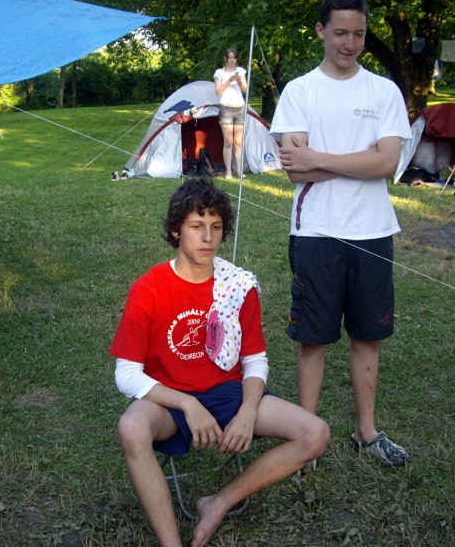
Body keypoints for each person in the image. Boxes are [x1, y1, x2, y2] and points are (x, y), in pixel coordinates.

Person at [110, 178, 329, 547]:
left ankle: (219, 502)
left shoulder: (237, 286)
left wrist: (247, 411)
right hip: (169, 399)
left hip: (228, 391)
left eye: (216, 226)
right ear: (176, 230)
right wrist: (187, 403)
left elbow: (255, 361)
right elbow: (127, 374)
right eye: (196, 226)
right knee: (131, 427)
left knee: (315, 433)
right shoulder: (149, 289)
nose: (207, 237)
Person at [269, 0, 412, 467]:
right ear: (320, 31)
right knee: (314, 337)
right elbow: (296, 171)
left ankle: (366, 431)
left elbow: (387, 163)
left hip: (372, 230)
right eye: (340, 33)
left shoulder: (383, 91)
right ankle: (306, 438)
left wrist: (320, 158)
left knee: (368, 334)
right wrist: (360, 161)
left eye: (359, 34)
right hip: (316, 231)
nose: (350, 44)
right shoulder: (300, 91)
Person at [213, 48, 248, 179]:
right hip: (226, 108)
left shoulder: (241, 71)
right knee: (228, 142)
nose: (232, 60)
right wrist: (229, 81)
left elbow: (245, 90)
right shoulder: (219, 73)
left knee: (238, 142)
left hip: (240, 108)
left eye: (234, 58)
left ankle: (239, 170)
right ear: (226, 59)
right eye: (230, 58)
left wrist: (239, 81)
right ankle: (228, 171)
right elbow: (218, 91)